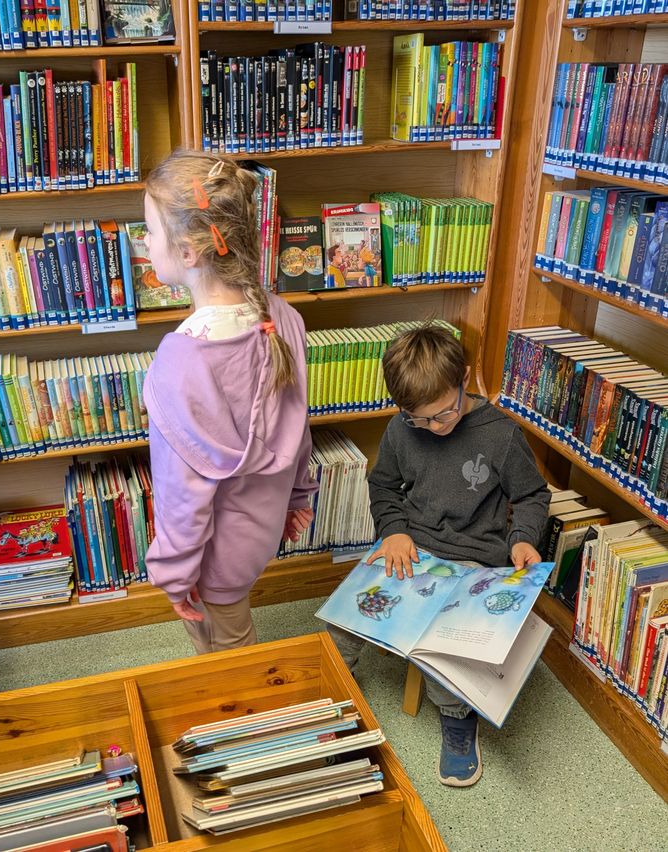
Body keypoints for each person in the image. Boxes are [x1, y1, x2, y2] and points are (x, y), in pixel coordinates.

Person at [329, 325, 550, 788]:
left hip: (475, 557)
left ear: (465, 378)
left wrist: (524, 538)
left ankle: (456, 723)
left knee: (440, 645)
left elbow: (531, 495)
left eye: (445, 412)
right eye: (420, 419)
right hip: (413, 544)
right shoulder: (400, 429)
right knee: (344, 624)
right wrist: (392, 531)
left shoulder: (500, 434)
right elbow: (384, 486)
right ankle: (328, 705)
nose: (436, 426)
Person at [142, 149, 318, 654]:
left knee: (225, 652)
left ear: (189, 251)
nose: (145, 242)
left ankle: (243, 724)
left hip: (214, 558)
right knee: (231, 629)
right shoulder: (281, 318)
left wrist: (174, 576)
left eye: (149, 230)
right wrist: (298, 496)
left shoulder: (178, 364)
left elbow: (183, 498)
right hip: (261, 533)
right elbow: (299, 427)